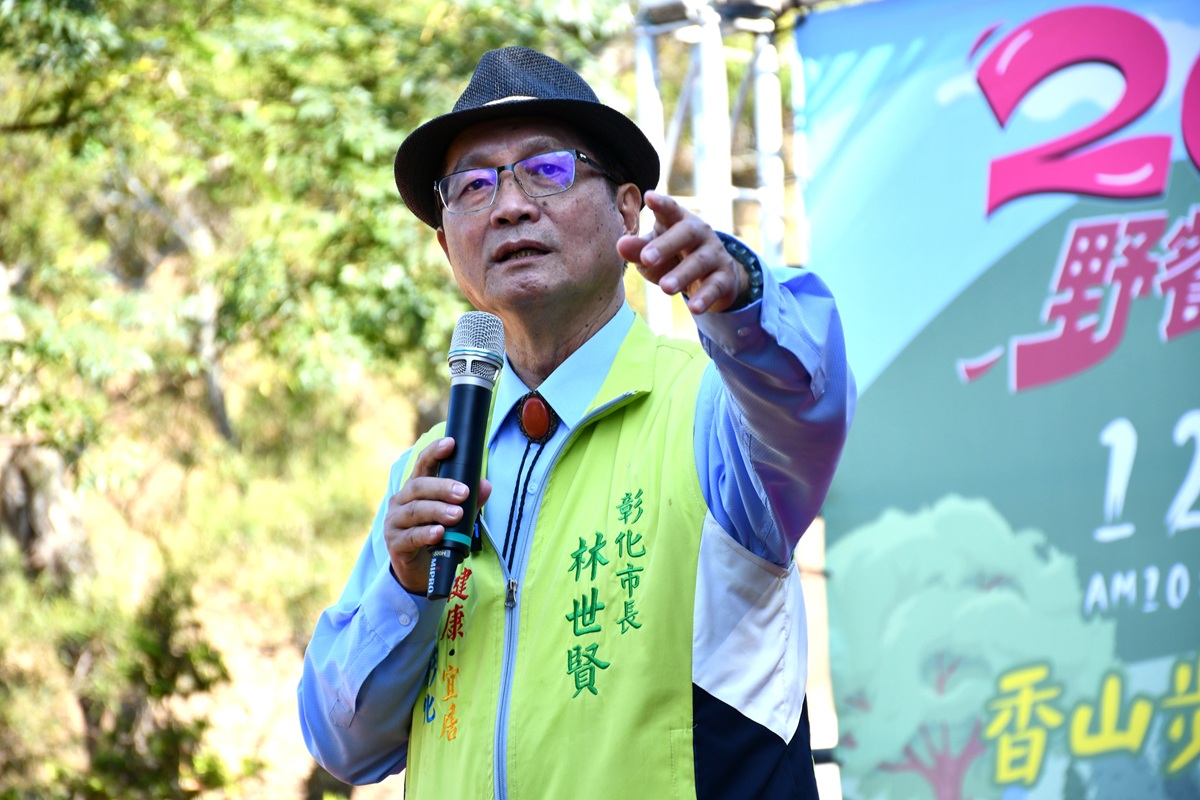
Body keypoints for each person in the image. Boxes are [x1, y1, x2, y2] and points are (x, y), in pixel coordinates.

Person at [298, 45, 855, 800]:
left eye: (547, 169)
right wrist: (405, 588)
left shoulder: (713, 410)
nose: (509, 206)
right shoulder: (432, 466)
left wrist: (747, 300)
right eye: (473, 185)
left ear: (628, 207)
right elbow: (342, 745)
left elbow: (807, 401)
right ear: (446, 243)